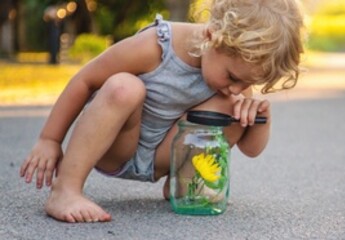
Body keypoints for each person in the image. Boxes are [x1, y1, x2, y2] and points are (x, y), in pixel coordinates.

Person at [17, 0, 306, 223]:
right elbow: (85, 79)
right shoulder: (156, 45)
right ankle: (65, 190)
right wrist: (50, 139)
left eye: (249, 82)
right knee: (124, 87)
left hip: (166, 155)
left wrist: (260, 118)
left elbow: (252, 150)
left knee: (231, 107)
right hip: (117, 145)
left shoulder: (235, 83)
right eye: (233, 77)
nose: (238, 88)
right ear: (211, 36)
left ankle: (183, 184)